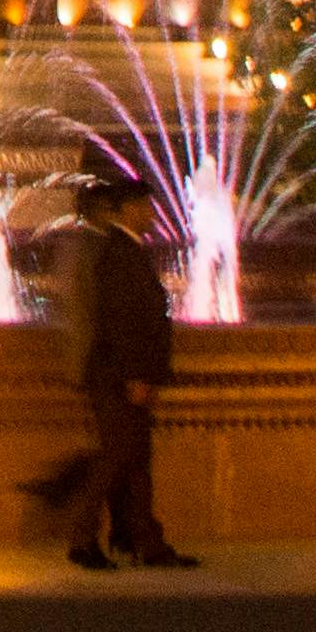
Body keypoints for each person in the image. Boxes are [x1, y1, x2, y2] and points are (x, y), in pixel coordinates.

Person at [33, 172, 191, 568]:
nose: (152, 213)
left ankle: (145, 542)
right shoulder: (118, 253)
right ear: (128, 210)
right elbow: (119, 320)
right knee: (118, 456)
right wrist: (136, 375)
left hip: (121, 374)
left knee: (136, 459)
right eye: (146, 207)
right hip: (118, 376)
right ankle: (82, 539)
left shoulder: (125, 250)